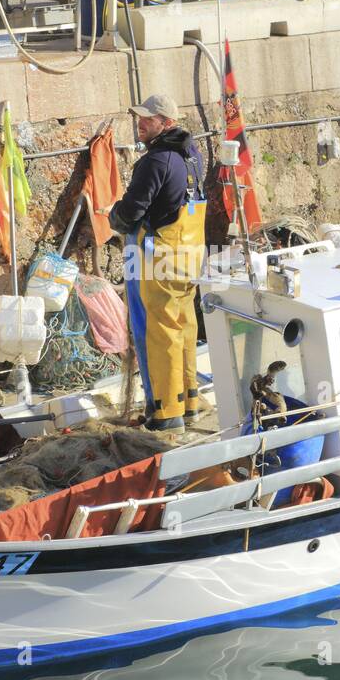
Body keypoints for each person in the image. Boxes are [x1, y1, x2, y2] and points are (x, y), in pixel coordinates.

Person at [109, 94, 207, 433]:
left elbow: (132, 210)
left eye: (147, 119)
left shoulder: (156, 161)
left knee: (158, 334)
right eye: (139, 117)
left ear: (166, 123)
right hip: (190, 258)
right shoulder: (193, 156)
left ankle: (166, 413)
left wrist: (114, 217)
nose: (140, 124)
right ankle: (189, 402)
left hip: (159, 260)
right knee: (184, 328)